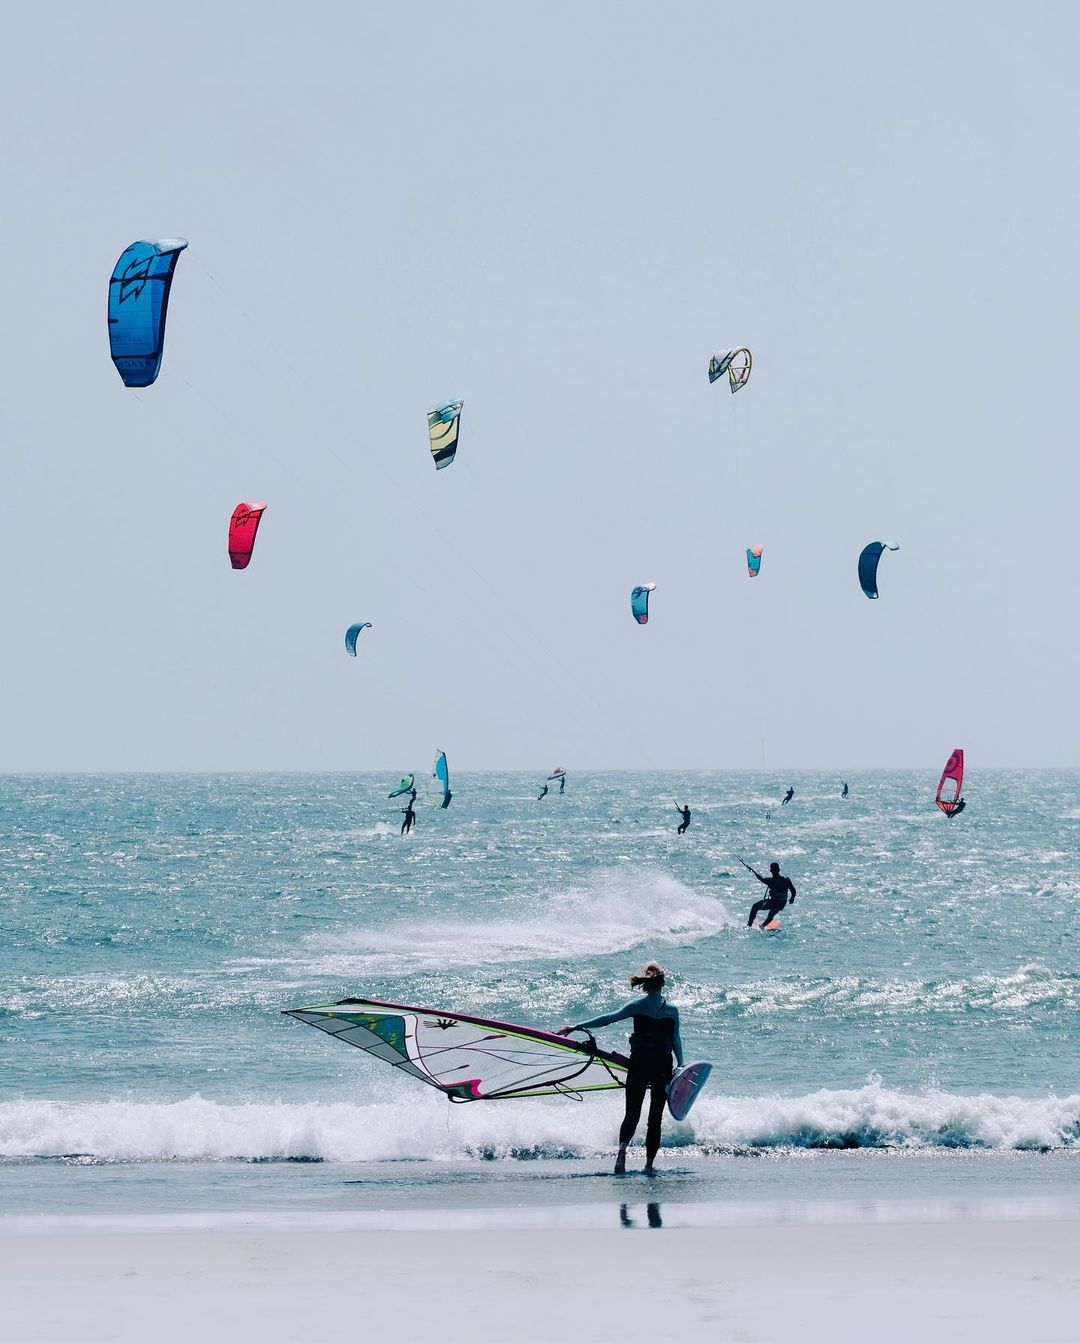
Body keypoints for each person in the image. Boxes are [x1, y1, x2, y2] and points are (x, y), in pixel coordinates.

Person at [558, 962, 683, 1175]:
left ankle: (622, 1152)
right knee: (655, 1119)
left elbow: (608, 1019)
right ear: (663, 984)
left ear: (645, 985)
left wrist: (577, 1026)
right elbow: (675, 1039)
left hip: (639, 1064)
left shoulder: (637, 1005)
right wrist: (680, 1065)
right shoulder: (672, 1010)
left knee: (631, 1113)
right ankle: (649, 1166)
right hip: (662, 1066)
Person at [745, 860, 796, 927]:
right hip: (782, 904)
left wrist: (753, 871)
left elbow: (761, 878)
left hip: (774, 903)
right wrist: (792, 898)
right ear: (779, 870)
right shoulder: (786, 880)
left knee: (755, 906)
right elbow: (793, 890)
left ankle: (749, 925)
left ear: (771, 871)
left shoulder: (770, 881)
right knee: (772, 912)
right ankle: (762, 926)